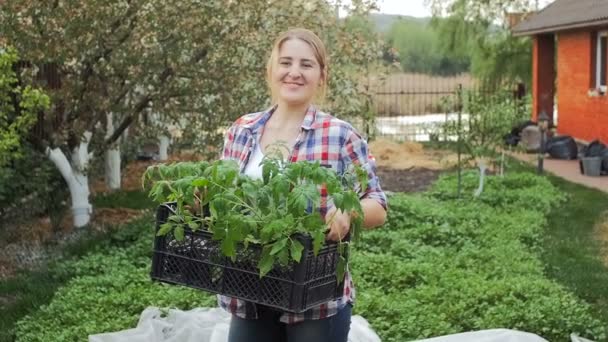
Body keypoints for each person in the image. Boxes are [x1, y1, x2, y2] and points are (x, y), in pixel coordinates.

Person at [220, 28, 387, 342]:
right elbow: (223, 196)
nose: (294, 73)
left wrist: (347, 214)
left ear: (321, 76)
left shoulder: (339, 135)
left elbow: (377, 204)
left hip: (315, 296)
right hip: (248, 289)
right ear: (271, 70)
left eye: (306, 65)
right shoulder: (242, 129)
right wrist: (201, 199)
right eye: (286, 62)